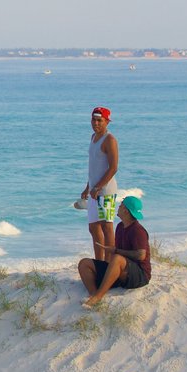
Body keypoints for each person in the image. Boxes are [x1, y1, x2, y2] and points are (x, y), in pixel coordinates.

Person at [78, 196, 151, 308]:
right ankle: (93, 294)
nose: (119, 207)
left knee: (117, 258)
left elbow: (141, 255)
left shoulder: (138, 230)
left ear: (126, 211)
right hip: (122, 270)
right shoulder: (120, 226)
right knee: (84, 263)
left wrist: (115, 251)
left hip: (139, 275)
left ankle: (98, 297)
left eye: (121, 205)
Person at [81, 106, 119, 262]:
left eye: (99, 120)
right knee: (93, 227)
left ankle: (110, 262)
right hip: (93, 191)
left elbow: (113, 167)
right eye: (93, 120)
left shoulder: (109, 140)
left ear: (107, 122)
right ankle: (99, 261)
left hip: (106, 192)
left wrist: (98, 187)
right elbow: (94, 166)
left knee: (107, 227)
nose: (96, 123)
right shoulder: (93, 137)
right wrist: (88, 187)